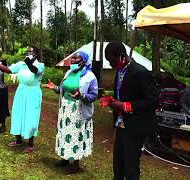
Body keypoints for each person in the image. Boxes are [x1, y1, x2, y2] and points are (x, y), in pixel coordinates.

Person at [100, 42, 159, 180]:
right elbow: (123, 95)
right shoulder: (120, 71)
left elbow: (152, 101)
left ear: (121, 56)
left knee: (130, 165)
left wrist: (126, 106)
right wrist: (111, 101)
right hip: (121, 125)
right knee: (118, 163)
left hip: (136, 126)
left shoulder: (140, 72)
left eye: (111, 60)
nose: (110, 64)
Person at [43, 51, 98, 173]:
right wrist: (55, 88)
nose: (72, 61)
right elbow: (64, 89)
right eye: (72, 58)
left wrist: (82, 95)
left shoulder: (90, 77)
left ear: (84, 61)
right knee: (65, 133)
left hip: (78, 111)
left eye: (75, 59)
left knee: (76, 136)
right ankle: (65, 158)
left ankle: (75, 163)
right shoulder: (69, 72)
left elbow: (94, 96)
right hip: (66, 110)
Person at [0, 46, 45, 153]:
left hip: (33, 93)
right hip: (21, 91)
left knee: (31, 118)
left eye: (30, 52)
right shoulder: (21, 64)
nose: (27, 53)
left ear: (35, 54)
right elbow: (8, 70)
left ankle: (30, 144)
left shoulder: (40, 65)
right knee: (18, 114)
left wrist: (29, 63)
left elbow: (35, 71)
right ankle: (18, 140)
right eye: (27, 51)